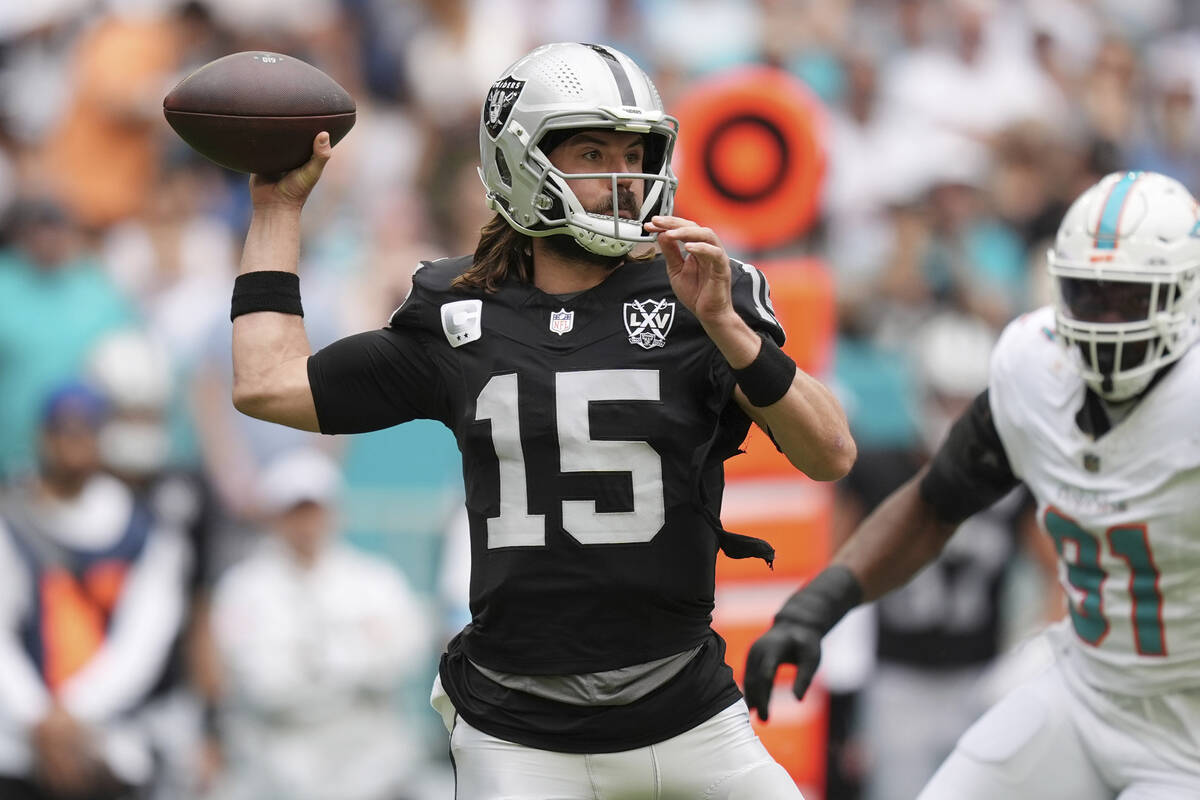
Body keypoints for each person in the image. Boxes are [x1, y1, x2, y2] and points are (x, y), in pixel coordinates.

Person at [227, 41, 854, 799]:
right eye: (592, 152)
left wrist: (728, 327)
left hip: (687, 715)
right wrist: (276, 209)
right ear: (517, 162)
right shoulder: (458, 312)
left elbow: (830, 454)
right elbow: (267, 384)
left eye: (636, 154)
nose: (623, 180)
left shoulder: (703, 294)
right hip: (519, 733)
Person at [744, 170, 1200, 799]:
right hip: (1086, 688)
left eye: (1129, 297)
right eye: (1089, 293)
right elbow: (935, 504)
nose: (1106, 319)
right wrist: (816, 606)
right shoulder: (1035, 364)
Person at [0, 382, 192, 800]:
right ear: (42, 437)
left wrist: (74, 713)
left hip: (109, 746)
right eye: (63, 430)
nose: (74, 444)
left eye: (84, 430)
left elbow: (144, 639)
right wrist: (36, 717)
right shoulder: (10, 518)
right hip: (17, 747)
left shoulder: (143, 530)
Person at [209, 447, 431, 800]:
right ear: (275, 517)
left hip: (369, 757)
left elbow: (406, 652)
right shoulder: (243, 588)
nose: (306, 524)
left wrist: (319, 664)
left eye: (314, 510)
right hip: (276, 761)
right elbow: (265, 685)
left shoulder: (375, 580)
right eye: (295, 512)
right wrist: (355, 658)